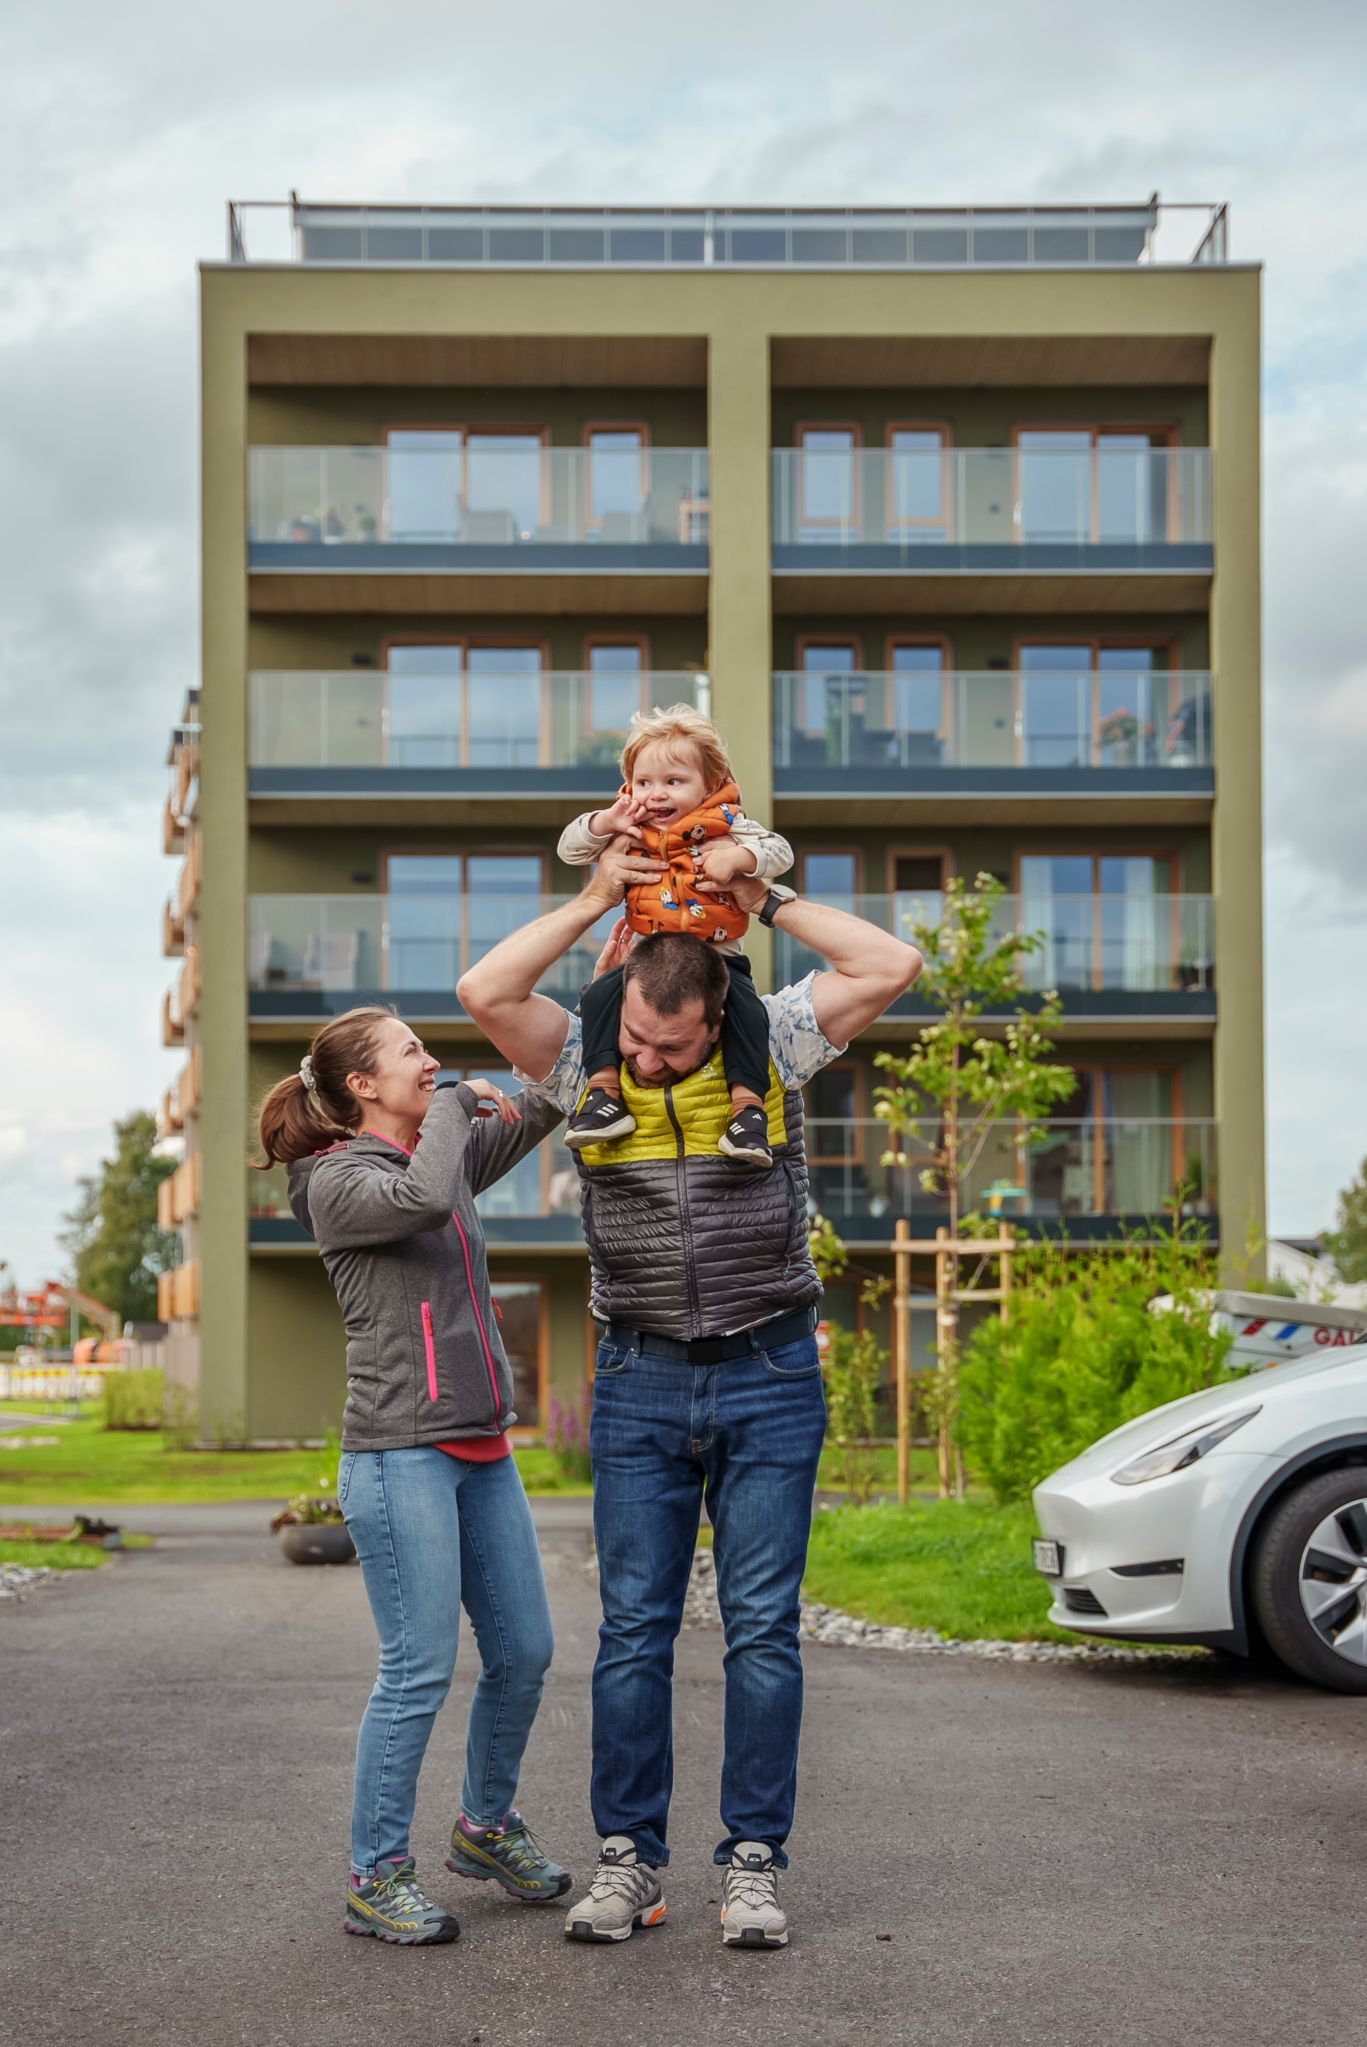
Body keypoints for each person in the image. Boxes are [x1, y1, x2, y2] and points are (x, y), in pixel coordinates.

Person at [457, 845, 922, 1950]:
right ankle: (629, 1860)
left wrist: (763, 897)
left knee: (761, 1630)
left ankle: (752, 1864)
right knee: (632, 1632)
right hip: (638, 1375)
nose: (646, 1062)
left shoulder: (779, 1041)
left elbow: (890, 963)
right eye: (636, 1040)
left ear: (719, 1021)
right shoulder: (589, 1054)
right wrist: (594, 899)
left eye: (671, 1047)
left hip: (770, 1370)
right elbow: (484, 990)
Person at [256, 1007, 573, 1946]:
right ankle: (376, 1874)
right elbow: (426, 1197)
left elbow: (545, 1100)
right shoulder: (336, 1181)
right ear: (361, 1084)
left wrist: (596, 1003)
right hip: (399, 1455)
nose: (432, 1063)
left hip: (480, 1445)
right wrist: (456, 1106)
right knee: (417, 1669)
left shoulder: (439, 1154)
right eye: (412, 1053)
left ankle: (484, 1826)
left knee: (524, 1652)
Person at [558, 702, 793, 1170]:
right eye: (644, 782)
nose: (656, 794)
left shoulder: (730, 825)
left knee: (747, 1013)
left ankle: (747, 1110)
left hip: (718, 960)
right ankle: (602, 1092)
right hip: (648, 960)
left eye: (673, 782)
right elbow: (570, 849)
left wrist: (741, 860)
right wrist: (604, 823)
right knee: (601, 994)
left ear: (709, 783)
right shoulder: (629, 825)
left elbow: (780, 852)